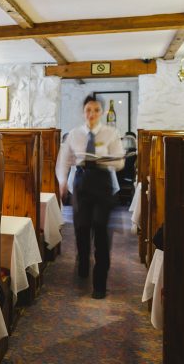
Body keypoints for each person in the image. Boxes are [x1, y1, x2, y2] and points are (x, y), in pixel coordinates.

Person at [56, 95, 125, 299]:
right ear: (83, 112)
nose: (92, 114)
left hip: (103, 183)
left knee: (101, 231)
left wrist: (103, 159)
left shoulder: (111, 133)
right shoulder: (74, 134)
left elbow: (120, 162)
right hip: (82, 182)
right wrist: (62, 181)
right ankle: (83, 263)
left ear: (101, 112)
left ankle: (100, 284)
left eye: (96, 110)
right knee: (81, 228)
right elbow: (64, 160)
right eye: (88, 110)